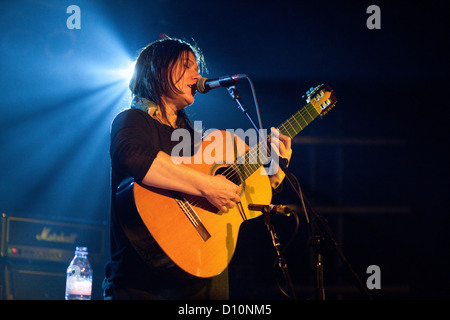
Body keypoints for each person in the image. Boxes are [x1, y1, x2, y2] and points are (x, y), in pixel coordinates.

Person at [103, 37, 292, 299]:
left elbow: (236, 193)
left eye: (196, 67)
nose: (198, 75)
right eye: (187, 65)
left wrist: (270, 173)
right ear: (159, 69)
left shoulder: (196, 139)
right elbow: (134, 157)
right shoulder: (132, 120)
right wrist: (207, 185)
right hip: (141, 285)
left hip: (202, 280)